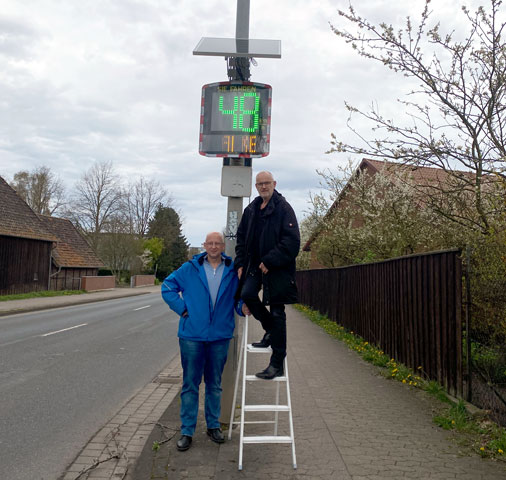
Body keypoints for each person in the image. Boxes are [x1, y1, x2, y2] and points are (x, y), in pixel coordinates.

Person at [161, 231, 243, 452]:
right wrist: (182, 309)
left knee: (214, 384)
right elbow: (167, 287)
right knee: (190, 384)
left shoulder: (232, 270)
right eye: (210, 243)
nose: (214, 247)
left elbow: (239, 298)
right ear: (204, 245)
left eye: (218, 243)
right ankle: (187, 430)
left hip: (220, 336)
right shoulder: (190, 269)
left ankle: (213, 425)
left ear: (223, 247)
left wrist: (243, 308)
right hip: (192, 337)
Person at [235, 171, 300, 380]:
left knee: (278, 313)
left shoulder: (283, 208)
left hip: (277, 269)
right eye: (260, 184)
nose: (264, 187)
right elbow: (241, 239)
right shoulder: (252, 210)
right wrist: (239, 263)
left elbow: (292, 242)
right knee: (247, 293)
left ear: (274, 184)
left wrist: (270, 260)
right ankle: (270, 330)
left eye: (267, 183)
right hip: (254, 265)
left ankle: (276, 364)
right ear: (256, 187)